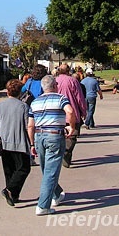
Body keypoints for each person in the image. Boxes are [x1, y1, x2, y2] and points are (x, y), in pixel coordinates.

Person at [27, 75, 76, 216]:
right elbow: (70, 111)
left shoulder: (35, 102)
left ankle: (57, 194)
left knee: (46, 169)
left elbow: (30, 125)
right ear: (55, 85)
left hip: (39, 135)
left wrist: (32, 144)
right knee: (50, 171)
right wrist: (71, 126)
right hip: (54, 135)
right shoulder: (61, 98)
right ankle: (43, 205)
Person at [0, 79, 31, 207]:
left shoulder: (0, 106)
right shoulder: (24, 106)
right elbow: (27, 125)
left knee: (9, 170)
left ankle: (13, 194)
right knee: (24, 168)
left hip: (4, 142)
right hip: (20, 142)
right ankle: (10, 191)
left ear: (7, 91)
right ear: (20, 92)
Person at [55, 63, 87, 168]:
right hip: (71, 113)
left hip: (57, 114)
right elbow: (79, 98)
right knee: (72, 136)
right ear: (69, 71)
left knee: (59, 135)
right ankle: (66, 153)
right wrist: (84, 111)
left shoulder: (54, 81)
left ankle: (64, 155)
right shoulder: (73, 81)